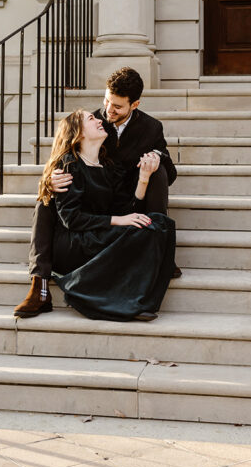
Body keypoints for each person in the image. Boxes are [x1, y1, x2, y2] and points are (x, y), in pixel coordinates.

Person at [14, 66, 179, 318]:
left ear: (134, 104)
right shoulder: (92, 124)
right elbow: (62, 155)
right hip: (90, 203)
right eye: (106, 101)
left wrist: (152, 162)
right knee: (45, 202)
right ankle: (40, 284)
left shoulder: (150, 128)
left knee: (159, 172)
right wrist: (48, 180)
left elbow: (168, 168)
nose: (107, 111)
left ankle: (156, 250)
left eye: (117, 107)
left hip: (120, 193)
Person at [36, 109, 176, 321]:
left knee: (158, 224)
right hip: (73, 242)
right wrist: (117, 221)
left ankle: (134, 301)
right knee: (142, 229)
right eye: (91, 119)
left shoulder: (109, 167)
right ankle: (89, 294)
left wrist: (144, 178)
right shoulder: (68, 165)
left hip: (99, 234)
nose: (99, 120)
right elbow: (71, 219)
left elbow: (127, 211)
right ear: (78, 133)